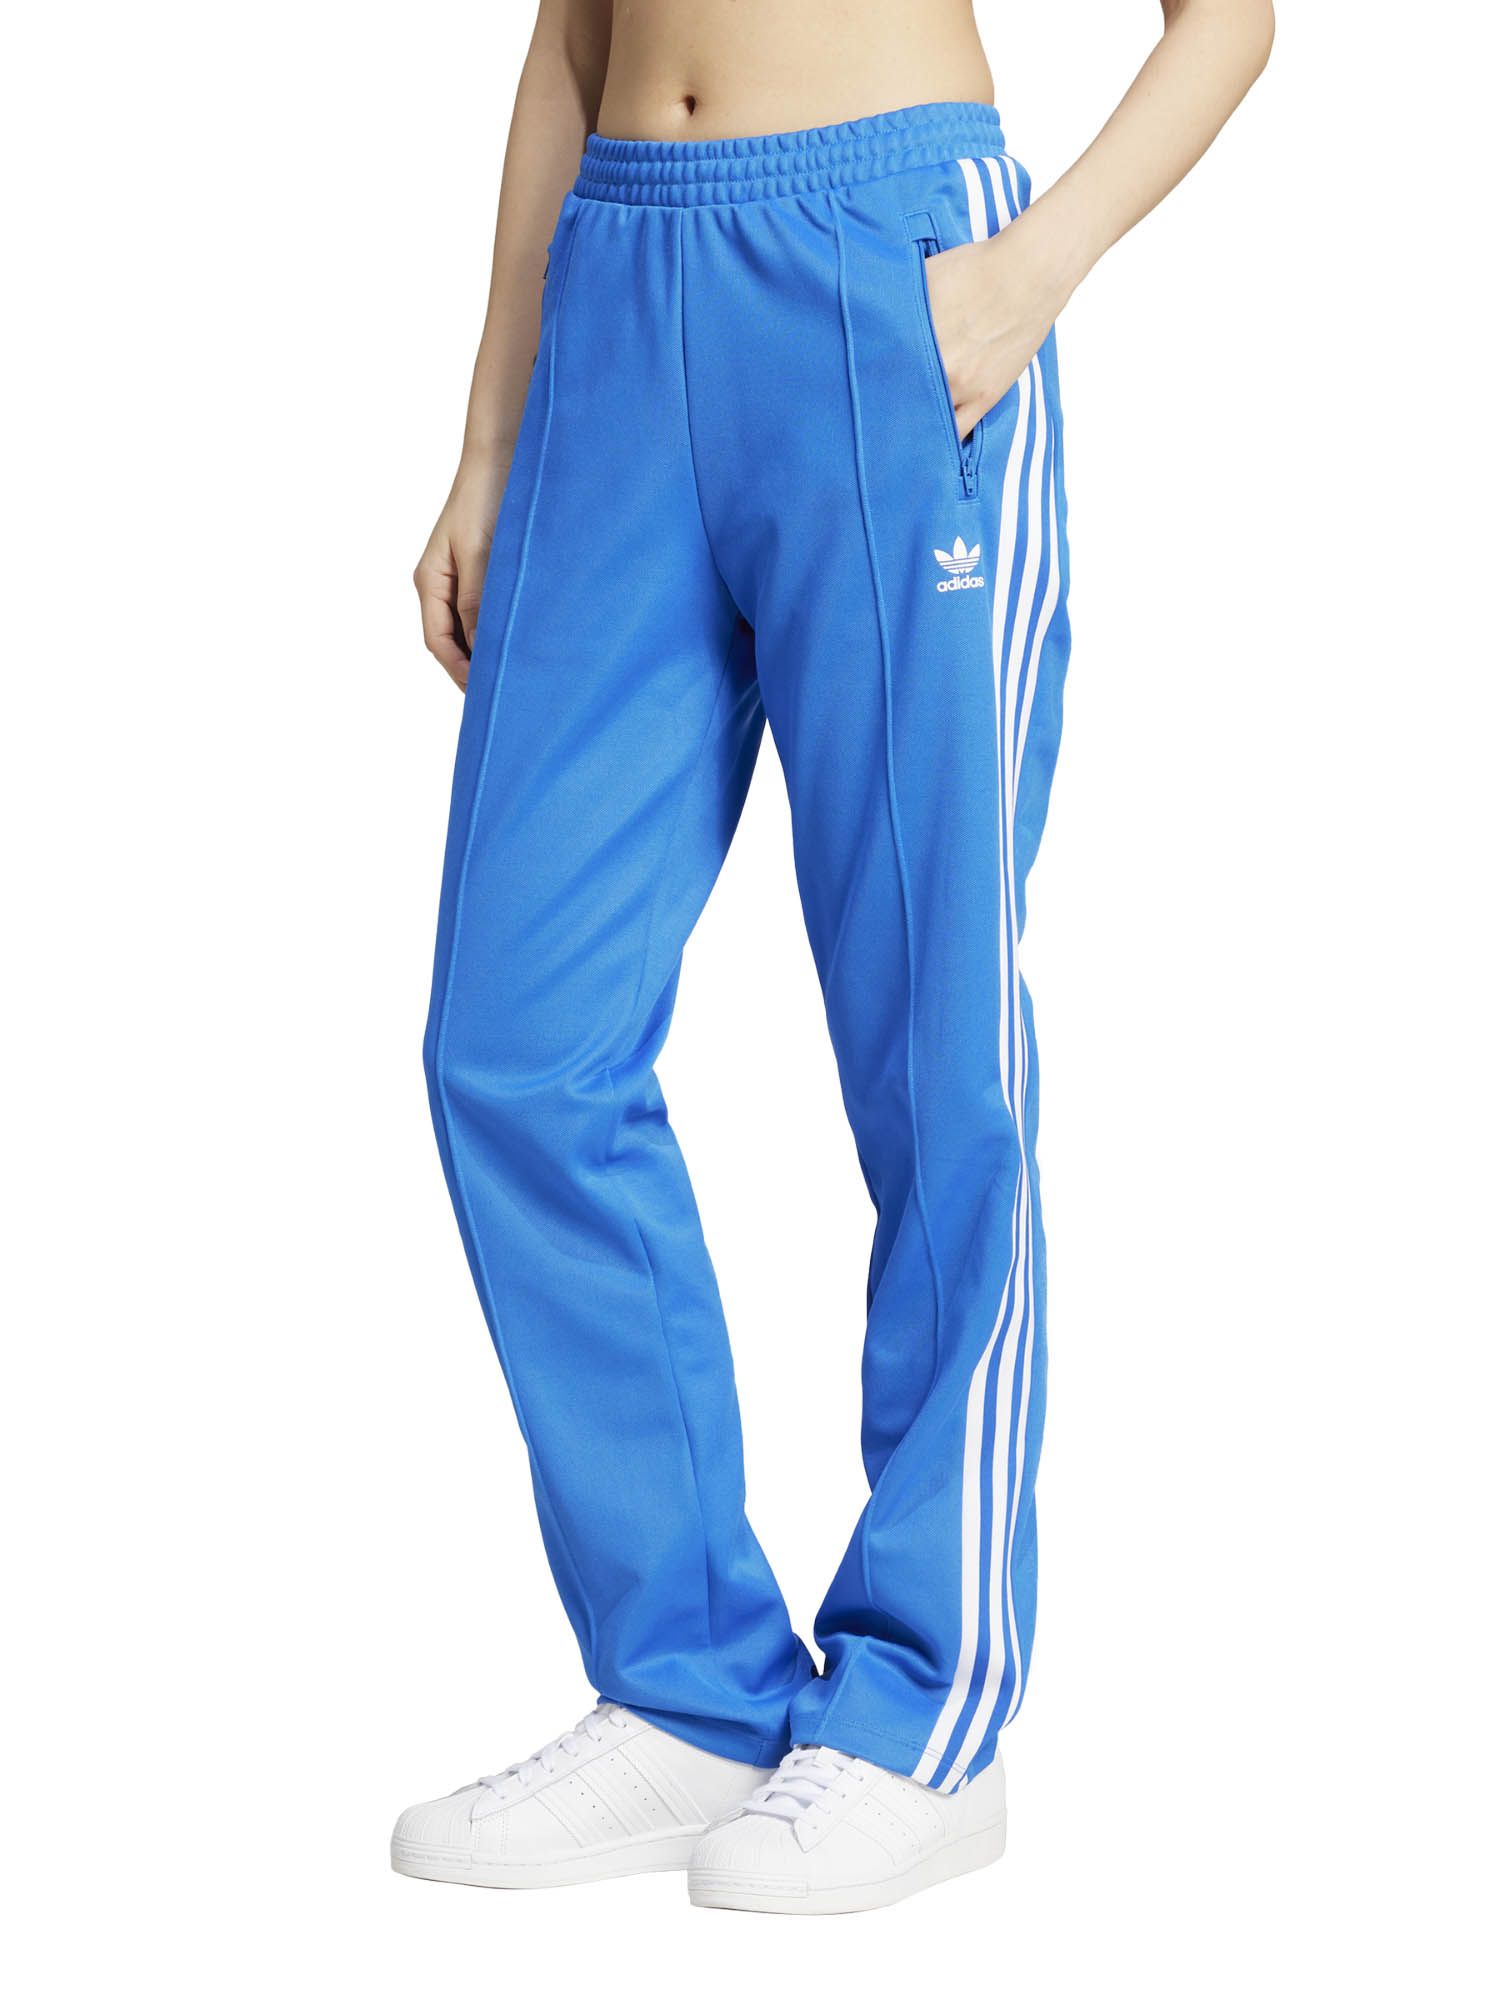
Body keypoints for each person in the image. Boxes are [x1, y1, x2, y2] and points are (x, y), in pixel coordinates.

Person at [395, 0, 1272, 1915]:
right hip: (617, 286)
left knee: (932, 1051)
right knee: (516, 1047)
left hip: (886, 270)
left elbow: (1233, 19)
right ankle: (691, 1685)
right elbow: (568, 43)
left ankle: (923, 1706)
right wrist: (489, 432)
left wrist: (1025, 277)